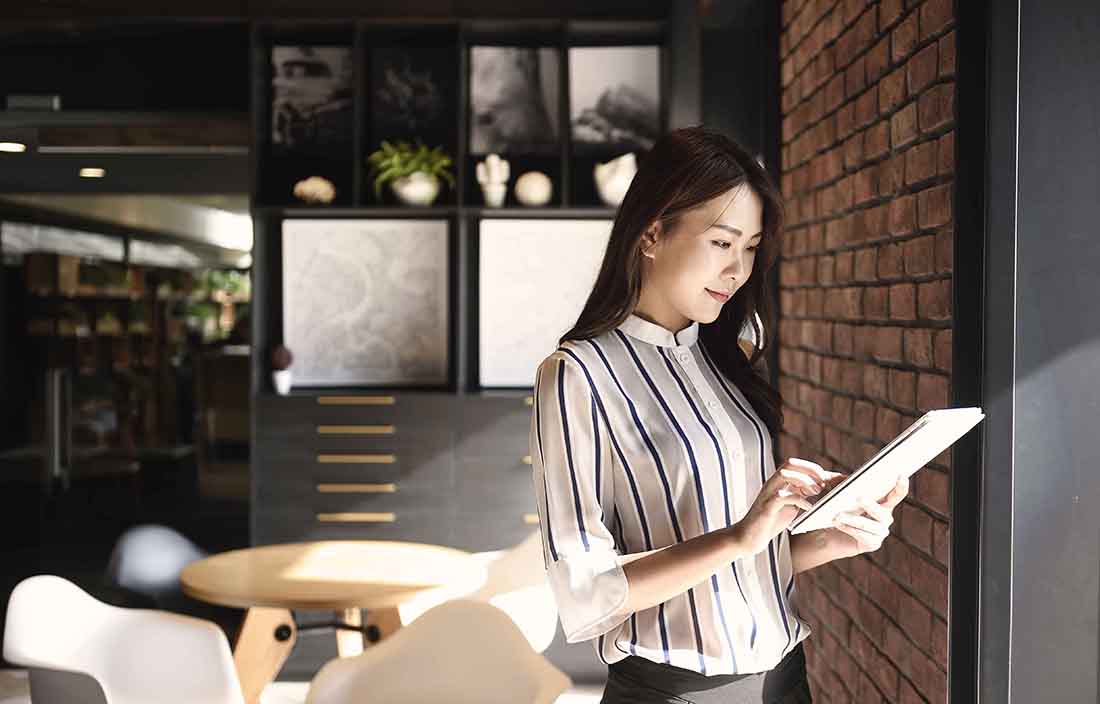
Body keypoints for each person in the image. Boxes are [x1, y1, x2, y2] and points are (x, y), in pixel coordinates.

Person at [530, 125, 910, 703]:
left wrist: (835, 538)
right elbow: (584, 592)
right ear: (653, 233)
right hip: (673, 693)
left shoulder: (733, 349)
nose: (738, 271)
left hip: (783, 680)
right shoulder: (579, 373)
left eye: (752, 248)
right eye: (722, 243)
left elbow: (750, 556)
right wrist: (737, 537)